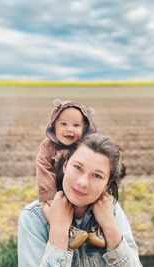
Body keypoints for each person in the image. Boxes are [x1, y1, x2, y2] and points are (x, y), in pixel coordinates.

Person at [18, 133, 143, 267]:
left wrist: (110, 226)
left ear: (107, 184)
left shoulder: (111, 210)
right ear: (65, 165)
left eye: (97, 175)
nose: (83, 182)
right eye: (77, 167)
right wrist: (58, 231)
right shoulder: (34, 217)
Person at [36, 99, 105, 249]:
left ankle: (98, 230)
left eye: (76, 125)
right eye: (63, 124)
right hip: (57, 191)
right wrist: (49, 195)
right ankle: (71, 232)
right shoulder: (48, 146)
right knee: (46, 207)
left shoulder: (86, 146)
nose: (69, 129)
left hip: (82, 188)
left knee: (101, 201)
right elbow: (44, 168)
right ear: (54, 125)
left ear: (85, 127)